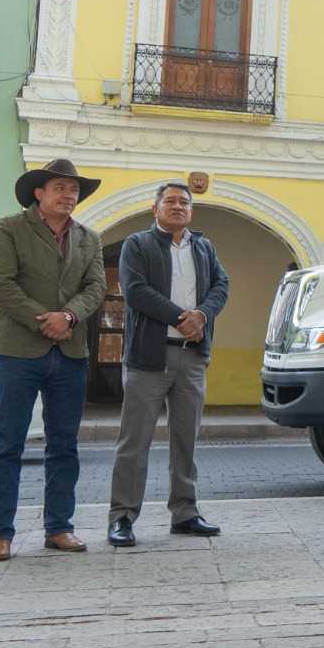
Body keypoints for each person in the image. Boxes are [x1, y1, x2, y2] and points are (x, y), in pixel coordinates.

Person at [0, 159, 106, 561]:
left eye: (74, 190)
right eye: (60, 188)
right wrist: (46, 321)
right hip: (19, 351)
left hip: (70, 353)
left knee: (64, 446)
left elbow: (95, 287)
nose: (68, 195)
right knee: (7, 445)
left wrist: (68, 316)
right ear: (39, 192)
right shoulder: (9, 228)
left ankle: (59, 528)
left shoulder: (89, 238)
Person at [107, 181, 230, 546]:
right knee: (134, 441)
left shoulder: (204, 247)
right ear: (155, 209)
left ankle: (185, 512)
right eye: (170, 201)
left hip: (192, 357)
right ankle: (122, 517)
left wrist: (203, 316)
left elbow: (221, 286)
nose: (178, 206)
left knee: (185, 440)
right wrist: (181, 317)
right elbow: (135, 290)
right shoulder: (138, 244)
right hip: (149, 358)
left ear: (191, 210)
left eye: (184, 202)